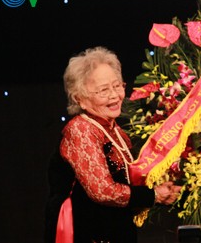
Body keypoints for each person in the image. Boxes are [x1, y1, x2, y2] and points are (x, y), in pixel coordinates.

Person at [45, 46, 181, 242]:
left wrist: (161, 192)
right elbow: (102, 191)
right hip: (86, 232)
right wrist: (153, 196)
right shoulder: (81, 130)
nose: (115, 95)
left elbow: (126, 188)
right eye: (103, 90)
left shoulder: (116, 131)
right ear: (80, 99)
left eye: (117, 85)